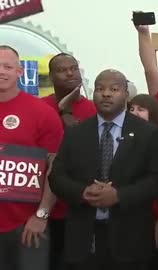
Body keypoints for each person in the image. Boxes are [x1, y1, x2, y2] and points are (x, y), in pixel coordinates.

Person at [50, 69, 158, 270]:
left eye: (114, 89)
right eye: (100, 89)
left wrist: (119, 195)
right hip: (83, 242)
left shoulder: (147, 133)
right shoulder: (75, 133)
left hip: (131, 241)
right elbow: (57, 177)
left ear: (125, 95)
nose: (106, 94)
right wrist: (82, 192)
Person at [0, 45, 63, 270]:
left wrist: (42, 214)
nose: (1, 71)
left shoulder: (43, 113)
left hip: (29, 226)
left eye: (7, 66)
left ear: (19, 71)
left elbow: (55, 168)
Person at [41, 53, 97, 270]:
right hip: (44, 207)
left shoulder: (94, 108)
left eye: (74, 68)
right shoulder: (40, 108)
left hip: (81, 207)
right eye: (63, 70)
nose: (70, 73)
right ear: (52, 76)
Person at [127, 94, 158, 270]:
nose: (135, 113)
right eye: (132, 109)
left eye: (141, 109)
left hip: (154, 217)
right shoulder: (121, 141)